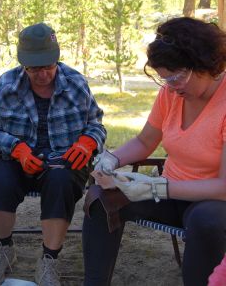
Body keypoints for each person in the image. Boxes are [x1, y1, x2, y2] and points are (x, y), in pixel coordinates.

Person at [83, 17, 226, 286]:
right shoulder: (173, 93)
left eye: (177, 76)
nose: (171, 86)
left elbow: (223, 187)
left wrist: (156, 187)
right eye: (165, 79)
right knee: (102, 198)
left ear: (204, 63)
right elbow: (145, 141)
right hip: (171, 192)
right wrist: (112, 159)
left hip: (213, 204)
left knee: (206, 221)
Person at [0, 22, 106, 286]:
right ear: (23, 64)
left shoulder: (76, 83)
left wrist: (87, 142)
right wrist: (17, 148)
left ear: (57, 58)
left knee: (61, 182)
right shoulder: (7, 84)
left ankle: (49, 259)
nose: (43, 74)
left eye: (48, 66)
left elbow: (96, 124)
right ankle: (3, 248)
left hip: (63, 158)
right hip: (13, 159)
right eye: (35, 68)